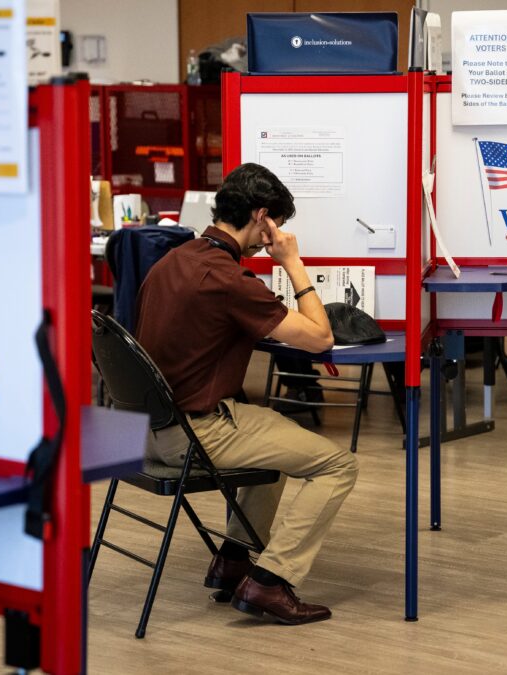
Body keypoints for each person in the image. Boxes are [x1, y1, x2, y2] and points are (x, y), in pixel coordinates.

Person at [135, 162, 359, 625]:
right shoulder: (229, 280)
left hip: (146, 431)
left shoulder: (170, 262)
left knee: (276, 441)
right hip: (194, 433)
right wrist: (292, 263)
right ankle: (270, 582)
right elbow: (320, 339)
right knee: (339, 465)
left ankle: (234, 560)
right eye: (274, 225)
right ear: (263, 217)